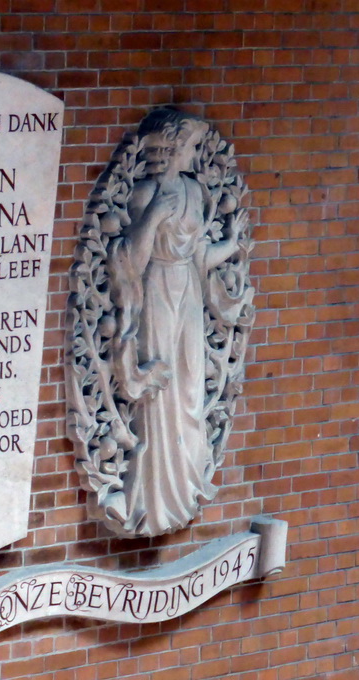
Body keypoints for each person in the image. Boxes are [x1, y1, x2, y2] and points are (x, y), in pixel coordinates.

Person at [110, 109, 248, 535]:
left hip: (188, 291)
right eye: (190, 146)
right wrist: (151, 217)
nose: (194, 154)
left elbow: (202, 257)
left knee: (189, 386)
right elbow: (131, 261)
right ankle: (152, 500)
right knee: (161, 390)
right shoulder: (146, 193)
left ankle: (185, 485)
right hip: (155, 293)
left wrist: (232, 240)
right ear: (171, 147)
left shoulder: (194, 191)